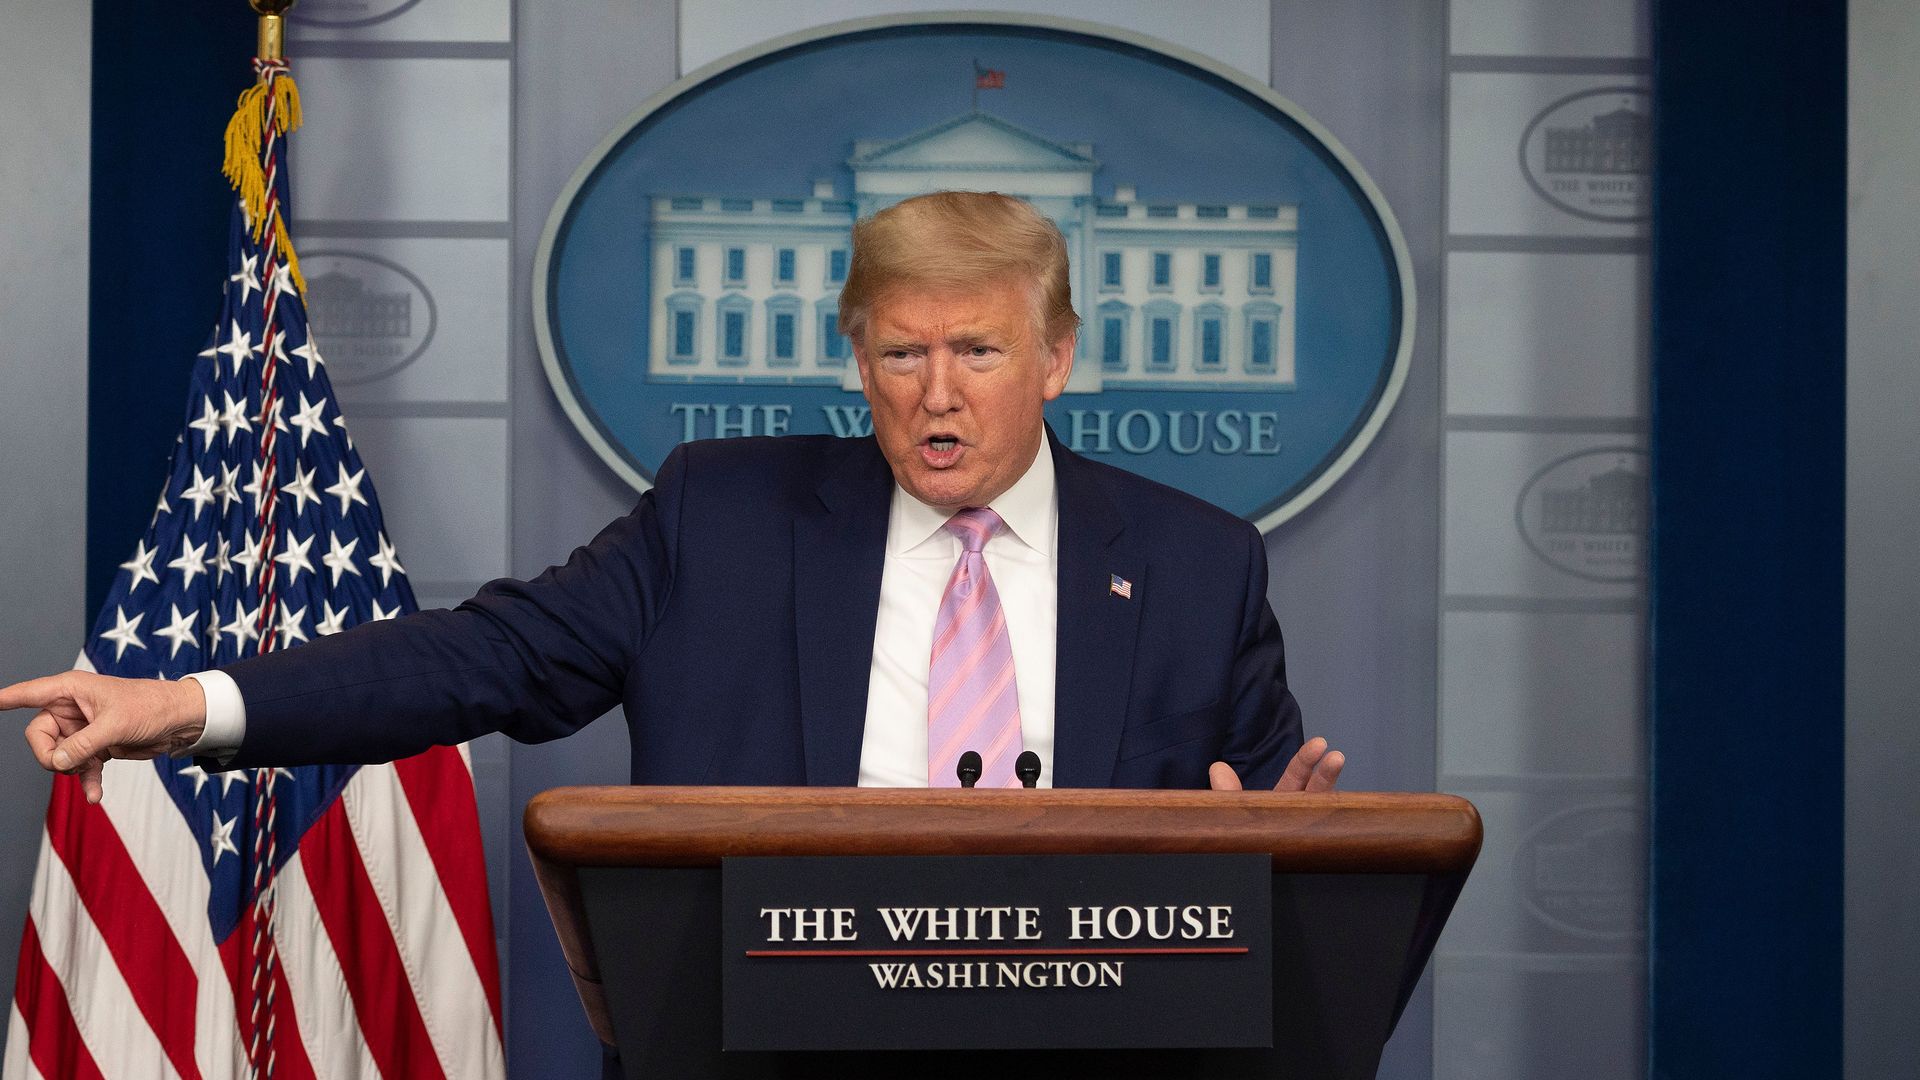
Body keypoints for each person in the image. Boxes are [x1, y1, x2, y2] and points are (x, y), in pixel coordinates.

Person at [7, 191, 1344, 800]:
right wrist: (191, 706)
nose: (937, 394)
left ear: (1055, 358)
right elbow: (489, 658)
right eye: (902, 352)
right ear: (857, 360)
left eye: (978, 352)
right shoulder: (725, 515)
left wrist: (1278, 854)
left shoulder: (1195, 560)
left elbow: (1280, 816)